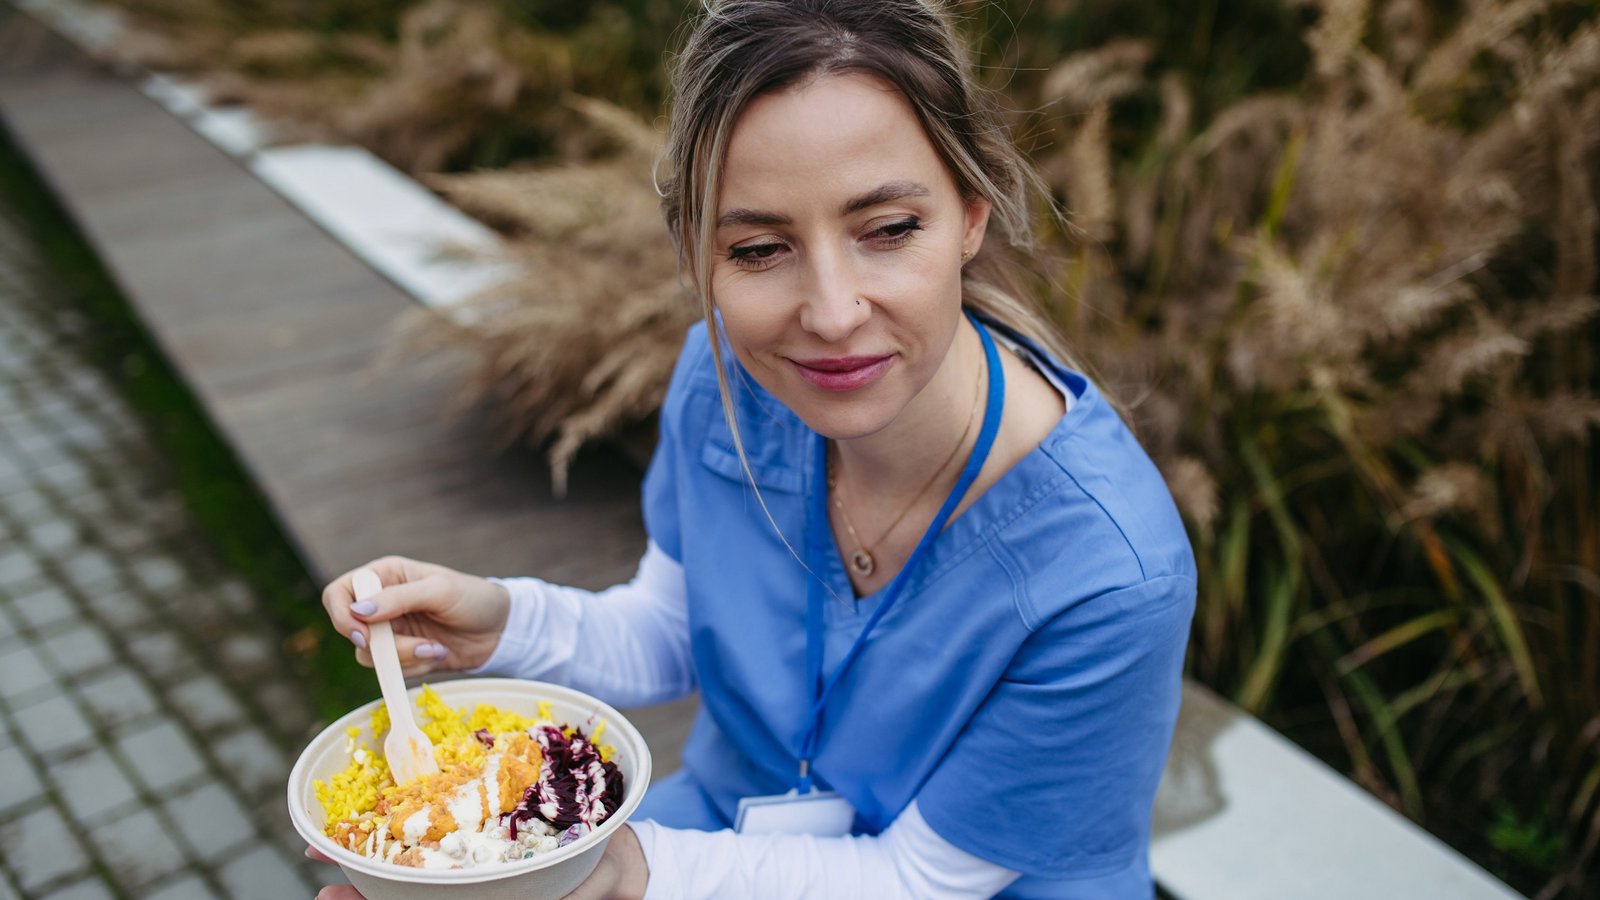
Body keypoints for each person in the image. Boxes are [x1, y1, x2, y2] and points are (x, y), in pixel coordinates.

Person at [313, 1, 1196, 897]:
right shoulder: (726, 376)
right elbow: (678, 629)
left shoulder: (1113, 575)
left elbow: (920, 879)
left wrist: (631, 872)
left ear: (972, 213)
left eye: (889, 230)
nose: (833, 314)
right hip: (725, 836)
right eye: (762, 248)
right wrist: (505, 625)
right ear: (700, 257)